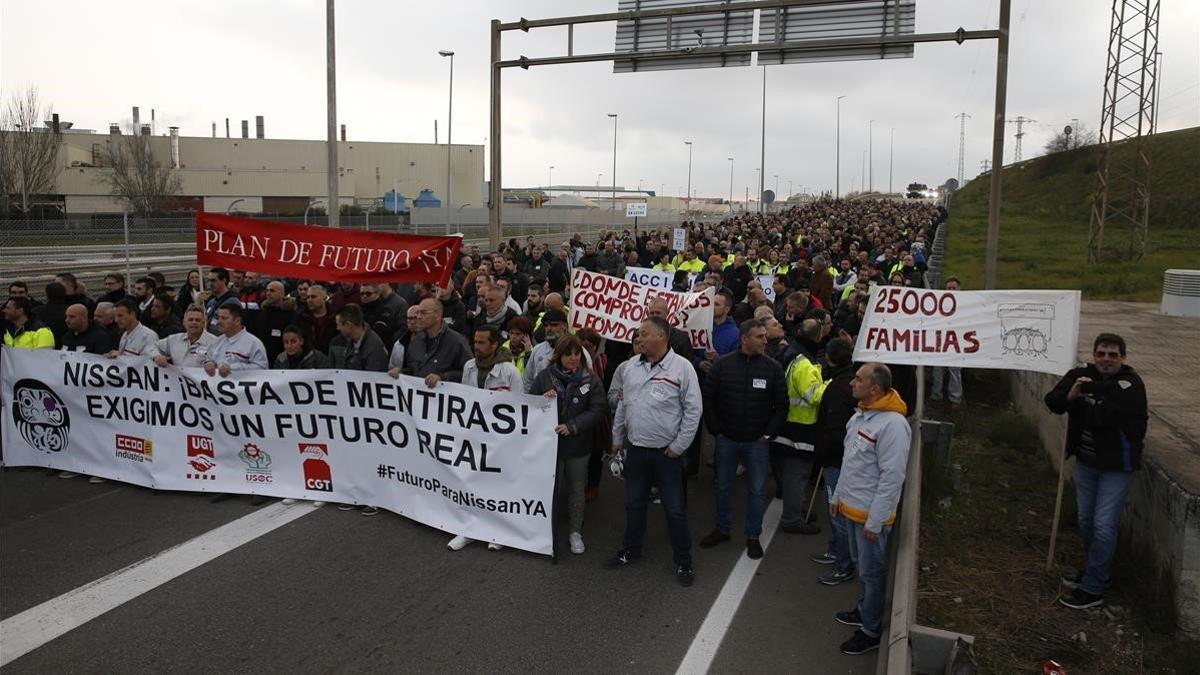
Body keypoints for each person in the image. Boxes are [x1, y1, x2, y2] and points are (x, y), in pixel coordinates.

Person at [1045, 333, 1148, 610]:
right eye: (1101, 353)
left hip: (1116, 467)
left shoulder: (1131, 385)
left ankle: (1092, 589)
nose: (1106, 359)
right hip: (1087, 463)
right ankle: (1097, 573)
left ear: (1123, 358)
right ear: (1093, 355)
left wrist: (1078, 400)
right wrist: (1071, 395)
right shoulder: (1080, 375)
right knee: (1086, 521)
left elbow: (1103, 418)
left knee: (1103, 526)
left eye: (1113, 355)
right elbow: (1052, 401)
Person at [604, 316, 702, 588]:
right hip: (636, 451)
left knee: (674, 509)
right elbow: (624, 404)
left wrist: (679, 446)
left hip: (666, 455)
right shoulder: (630, 368)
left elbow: (694, 411)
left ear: (662, 337)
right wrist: (617, 437)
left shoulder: (682, 368)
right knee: (634, 504)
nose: (639, 339)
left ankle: (683, 561)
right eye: (638, 334)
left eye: (644, 334)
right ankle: (631, 549)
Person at [832, 362, 911, 656]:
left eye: (858, 379)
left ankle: (870, 630)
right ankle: (864, 610)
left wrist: (876, 522)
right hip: (851, 509)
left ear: (875, 388)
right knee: (862, 568)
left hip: (869, 518)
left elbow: (892, 478)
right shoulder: (862, 416)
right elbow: (850, 462)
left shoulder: (893, 425)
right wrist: (836, 498)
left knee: (872, 573)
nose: (852, 383)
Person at [699, 319, 788, 560]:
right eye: (759, 337)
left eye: (764, 337)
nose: (765, 341)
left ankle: (752, 536)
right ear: (744, 338)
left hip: (756, 443)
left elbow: (782, 406)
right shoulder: (722, 366)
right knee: (723, 486)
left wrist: (768, 434)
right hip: (727, 439)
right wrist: (716, 429)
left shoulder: (773, 368)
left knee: (757, 491)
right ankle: (722, 529)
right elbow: (709, 399)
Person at [529, 334, 608, 556]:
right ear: (558, 356)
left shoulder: (590, 380)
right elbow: (529, 402)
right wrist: (543, 400)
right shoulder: (545, 376)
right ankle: (546, 529)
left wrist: (573, 426)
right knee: (549, 489)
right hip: (548, 446)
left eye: (577, 354)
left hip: (577, 447)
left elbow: (598, 409)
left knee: (576, 488)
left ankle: (575, 532)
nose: (573, 358)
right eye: (567, 354)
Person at [810, 337, 858, 585]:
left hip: (836, 460)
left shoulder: (840, 387)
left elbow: (835, 429)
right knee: (835, 512)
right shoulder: (846, 381)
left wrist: (824, 458)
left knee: (837, 512)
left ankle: (843, 564)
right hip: (838, 458)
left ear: (829, 357)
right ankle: (835, 551)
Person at [776, 318, 827, 533]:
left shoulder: (795, 355)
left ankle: (796, 511)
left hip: (790, 424)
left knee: (792, 475)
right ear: (818, 337)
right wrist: (832, 384)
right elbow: (814, 396)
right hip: (800, 427)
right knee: (797, 476)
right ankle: (792, 519)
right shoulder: (804, 364)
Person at [399, 298, 471, 387]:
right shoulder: (416, 341)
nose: (418, 317)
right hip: (418, 397)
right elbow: (412, 369)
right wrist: (401, 372)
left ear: (437, 315)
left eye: (423, 313)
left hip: (443, 397)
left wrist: (442, 377)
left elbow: (468, 373)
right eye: (418, 313)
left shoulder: (456, 342)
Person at [930, 277, 963, 411]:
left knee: (955, 370)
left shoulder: (966, 304)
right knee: (937, 369)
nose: (951, 291)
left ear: (959, 289)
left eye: (953, 288)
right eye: (948, 288)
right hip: (940, 339)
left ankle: (955, 399)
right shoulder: (939, 302)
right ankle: (936, 395)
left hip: (957, 341)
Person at [330, 304, 389, 372]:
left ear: (348, 325)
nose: (337, 328)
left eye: (338, 325)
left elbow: (374, 377)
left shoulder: (373, 348)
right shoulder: (352, 340)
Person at [257, 280, 298, 365]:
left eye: (272, 291)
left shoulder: (290, 314)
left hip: (283, 361)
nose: (268, 293)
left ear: (282, 294)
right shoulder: (263, 312)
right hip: (262, 358)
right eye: (267, 290)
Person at [106, 298, 161, 362]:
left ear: (132, 314)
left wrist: (120, 356)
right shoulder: (125, 334)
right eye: (115, 316)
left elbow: (150, 361)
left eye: (120, 315)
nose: (116, 320)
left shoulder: (148, 336)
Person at [199, 267, 238, 334]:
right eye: (209, 280)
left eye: (213, 280)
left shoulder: (232, 302)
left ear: (224, 280)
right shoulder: (211, 302)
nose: (210, 284)